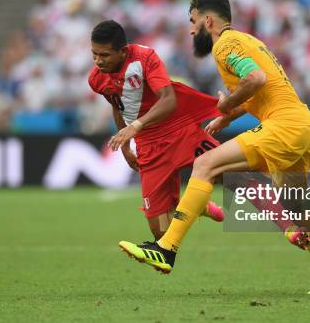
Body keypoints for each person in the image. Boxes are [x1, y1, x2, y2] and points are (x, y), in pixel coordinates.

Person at [118, 0, 310, 295]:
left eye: (193, 22)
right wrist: (229, 117)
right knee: (295, 208)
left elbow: (255, 79)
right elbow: (264, 87)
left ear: (208, 20)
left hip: (282, 126)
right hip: (302, 125)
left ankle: (167, 248)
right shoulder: (250, 40)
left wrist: (225, 106)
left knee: (205, 163)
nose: (191, 30)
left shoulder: (225, 44)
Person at [87, 20, 224, 240]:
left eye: (104, 55)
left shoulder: (145, 57)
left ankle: (291, 226)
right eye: (94, 54)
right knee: (161, 232)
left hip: (179, 130)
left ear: (122, 52)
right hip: (149, 145)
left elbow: (168, 100)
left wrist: (135, 127)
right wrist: (125, 147)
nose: (98, 61)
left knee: (230, 175)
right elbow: (117, 105)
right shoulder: (96, 79)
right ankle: (199, 205)